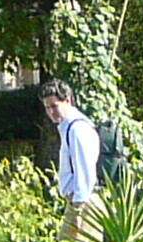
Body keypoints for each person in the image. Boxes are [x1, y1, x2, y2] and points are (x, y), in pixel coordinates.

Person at [40, 78, 101, 220]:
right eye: (47, 108)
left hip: (83, 203)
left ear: (67, 101)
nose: (51, 112)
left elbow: (84, 171)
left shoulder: (77, 129)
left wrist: (78, 211)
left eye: (54, 106)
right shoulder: (68, 127)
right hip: (78, 201)